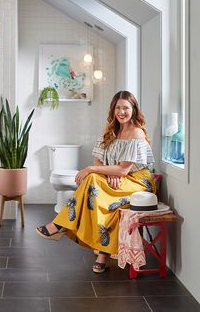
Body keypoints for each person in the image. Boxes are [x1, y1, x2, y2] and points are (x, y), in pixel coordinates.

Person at [36, 90, 156, 273]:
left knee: (92, 177)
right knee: (98, 193)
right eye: (118, 108)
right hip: (116, 178)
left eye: (126, 108)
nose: (121, 112)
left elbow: (123, 169)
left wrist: (94, 170)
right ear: (113, 109)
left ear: (134, 109)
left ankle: (60, 225)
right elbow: (99, 160)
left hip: (137, 182)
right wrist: (107, 173)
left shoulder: (136, 133)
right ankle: (102, 253)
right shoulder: (110, 130)